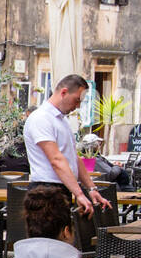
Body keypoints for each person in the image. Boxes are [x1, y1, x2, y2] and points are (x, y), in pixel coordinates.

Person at [23, 74, 108, 218]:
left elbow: (74, 158)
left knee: (62, 237)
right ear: (63, 93)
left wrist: (91, 189)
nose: (78, 106)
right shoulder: (41, 118)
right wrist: (79, 193)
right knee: (48, 239)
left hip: (61, 188)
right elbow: (56, 160)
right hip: (45, 190)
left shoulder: (62, 121)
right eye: (76, 100)